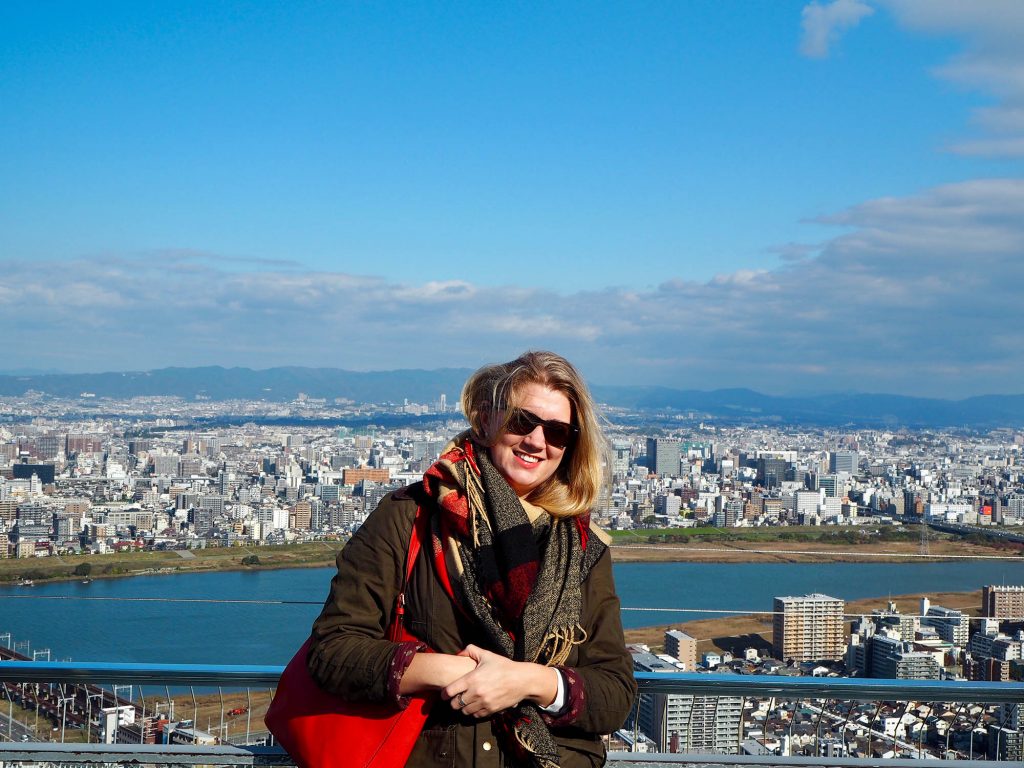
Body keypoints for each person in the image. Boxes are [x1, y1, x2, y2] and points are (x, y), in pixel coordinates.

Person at [307, 351, 636, 767]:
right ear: (485, 420)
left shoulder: (581, 547)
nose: (537, 441)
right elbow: (333, 651)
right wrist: (447, 672)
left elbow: (616, 692)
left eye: (557, 432)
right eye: (521, 421)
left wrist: (526, 682)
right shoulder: (410, 517)